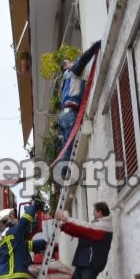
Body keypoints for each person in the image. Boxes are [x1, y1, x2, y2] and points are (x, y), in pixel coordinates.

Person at [54, 202, 113, 279]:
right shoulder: (96, 225)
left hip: (92, 263)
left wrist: (66, 219)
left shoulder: (104, 226)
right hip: (83, 261)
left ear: (100, 212)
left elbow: (84, 228)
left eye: (95, 211)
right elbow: (80, 232)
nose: (93, 213)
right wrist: (65, 227)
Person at [57, 40, 101, 177]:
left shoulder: (65, 82)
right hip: (70, 116)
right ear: (66, 66)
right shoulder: (72, 72)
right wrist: (96, 46)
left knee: (66, 144)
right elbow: (83, 59)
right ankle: (65, 172)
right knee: (70, 145)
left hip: (63, 117)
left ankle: (64, 170)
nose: (72, 62)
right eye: (70, 62)